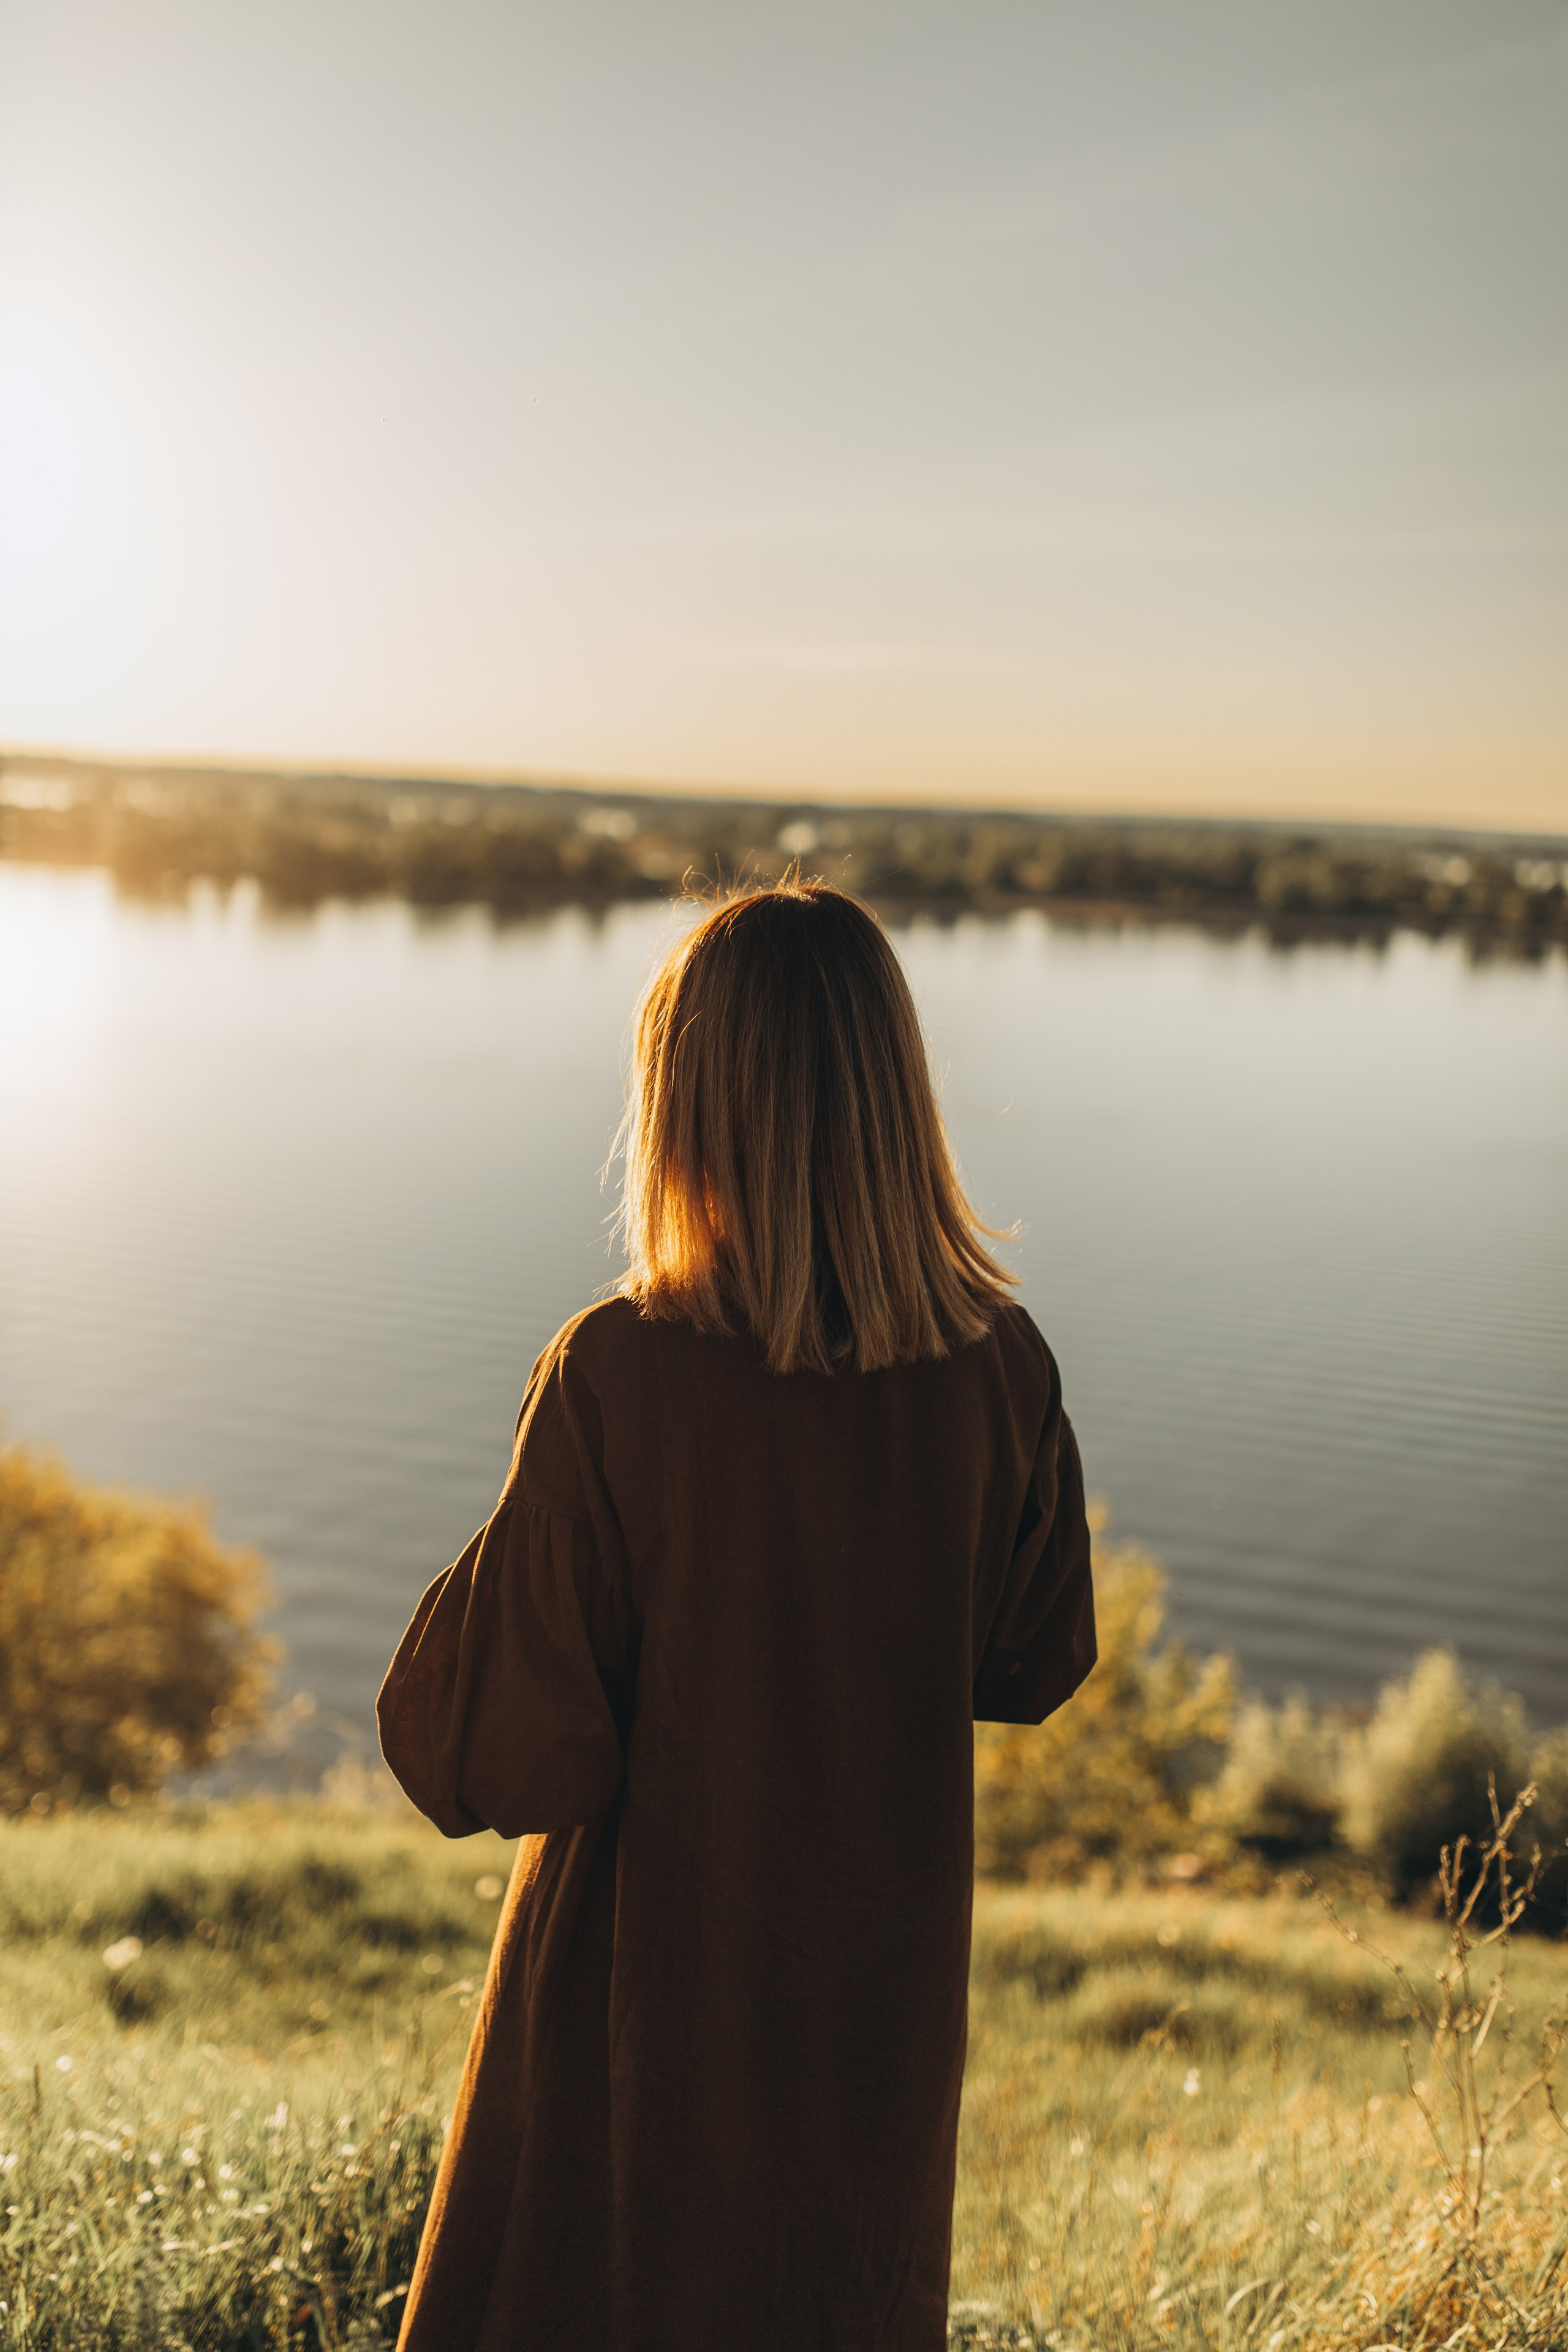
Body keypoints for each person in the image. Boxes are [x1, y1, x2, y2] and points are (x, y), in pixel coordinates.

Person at [378, 880, 1095, 2352]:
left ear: (687, 1101)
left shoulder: (621, 1375)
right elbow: (1034, 1659)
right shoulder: (998, 1370)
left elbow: (488, 1760)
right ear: (893, 1096)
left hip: (643, 2011)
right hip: (872, 2020)